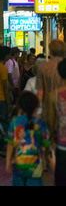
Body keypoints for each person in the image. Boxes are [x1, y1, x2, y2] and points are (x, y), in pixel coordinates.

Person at [6, 91, 51, 186]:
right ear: (36, 107)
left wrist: (8, 162)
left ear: (20, 107)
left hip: (18, 166)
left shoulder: (15, 122)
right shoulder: (40, 123)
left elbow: (10, 143)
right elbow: (46, 144)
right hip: (35, 167)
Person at [47, 58, 66, 186]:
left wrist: (51, 139)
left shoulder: (54, 95)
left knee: (61, 178)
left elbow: (51, 121)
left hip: (62, 143)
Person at [36, 40, 66, 121]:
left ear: (51, 51)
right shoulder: (64, 65)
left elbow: (40, 92)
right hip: (63, 109)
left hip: (48, 109)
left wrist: (35, 111)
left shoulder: (43, 67)